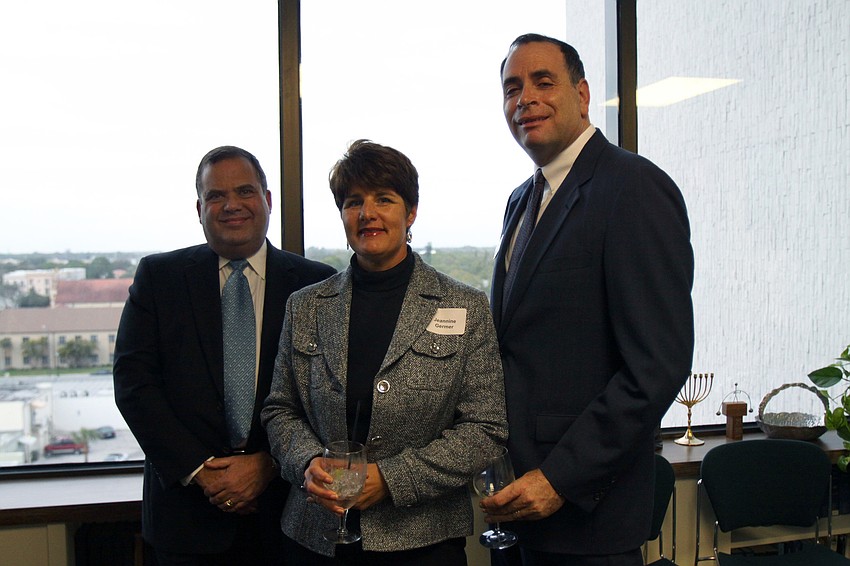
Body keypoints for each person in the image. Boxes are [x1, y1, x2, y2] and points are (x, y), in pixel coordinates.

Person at [481, 34, 695, 566]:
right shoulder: (521, 200)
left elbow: (656, 366)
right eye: (511, 88)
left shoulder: (634, 188)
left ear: (582, 94)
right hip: (515, 509)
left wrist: (559, 478)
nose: (524, 98)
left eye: (542, 82)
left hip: (583, 514)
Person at [261, 139, 508, 565]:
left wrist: (392, 479)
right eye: (353, 202)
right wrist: (307, 462)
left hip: (422, 543)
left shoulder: (464, 306)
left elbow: (485, 429)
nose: (367, 213)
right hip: (314, 538)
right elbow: (279, 409)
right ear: (342, 214)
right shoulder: (305, 306)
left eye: (384, 199)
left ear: (410, 212)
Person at [113, 145, 336, 565]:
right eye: (216, 196)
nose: (231, 205)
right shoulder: (158, 279)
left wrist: (269, 464)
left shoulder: (317, 285)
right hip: (186, 520)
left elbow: (329, 396)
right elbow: (133, 385)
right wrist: (202, 472)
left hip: (289, 515)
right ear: (199, 208)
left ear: (267, 201)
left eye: (245, 191)